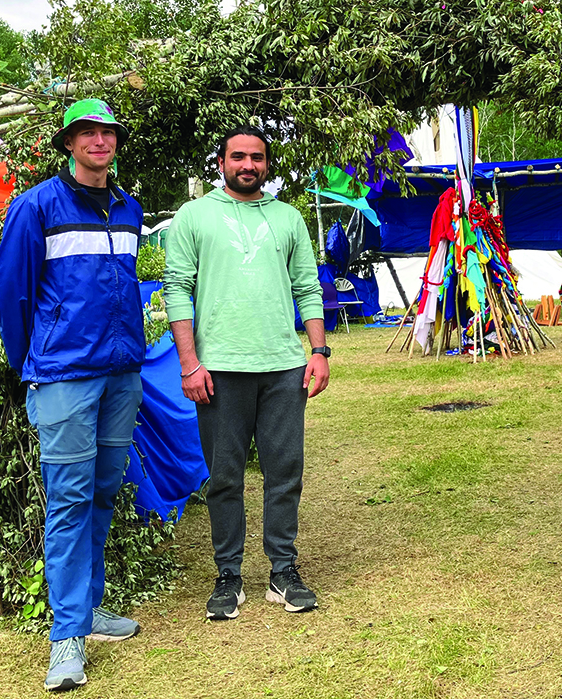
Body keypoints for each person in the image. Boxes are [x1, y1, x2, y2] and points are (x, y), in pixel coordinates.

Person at [0, 99, 145, 691]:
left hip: (121, 374)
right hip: (62, 377)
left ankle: (88, 606)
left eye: (108, 132)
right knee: (69, 500)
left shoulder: (127, 210)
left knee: (104, 491)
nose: (100, 141)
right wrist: (35, 360)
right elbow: (8, 294)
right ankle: (66, 638)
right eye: (88, 133)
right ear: (70, 143)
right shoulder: (38, 206)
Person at [164, 124, 330, 621]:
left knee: (285, 473)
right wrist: (189, 362)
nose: (248, 165)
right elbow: (177, 288)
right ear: (221, 163)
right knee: (224, 478)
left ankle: (283, 571)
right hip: (218, 371)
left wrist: (319, 350)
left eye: (257, 157)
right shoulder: (193, 216)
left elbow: (307, 285)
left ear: (267, 164)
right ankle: (228, 576)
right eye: (238, 156)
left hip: (283, 367)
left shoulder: (288, 217)